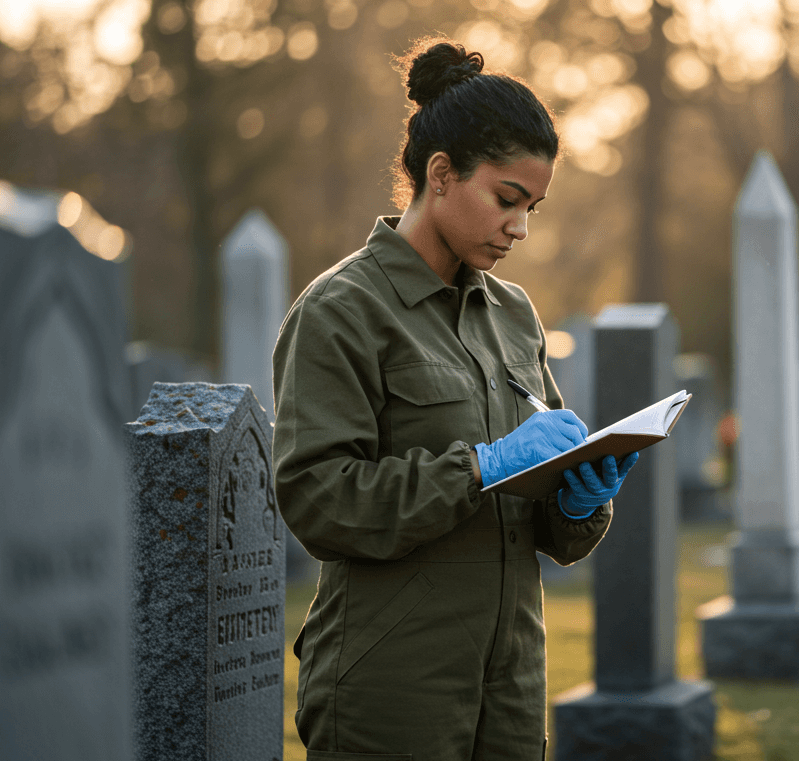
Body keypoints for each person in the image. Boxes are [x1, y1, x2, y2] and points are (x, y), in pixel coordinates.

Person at [272, 40, 637, 760]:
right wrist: (479, 467)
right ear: (440, 174)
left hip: (508, 686)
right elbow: (318, 500)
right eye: (506, 200)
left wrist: (577, 500)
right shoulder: (342, 311)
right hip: (391, 688)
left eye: (532, 206)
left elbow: (542, 521)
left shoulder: (514, 314)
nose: (520, 228)